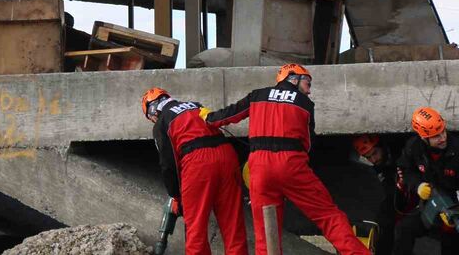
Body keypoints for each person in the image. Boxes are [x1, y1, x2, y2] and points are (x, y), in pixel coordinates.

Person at [204, 64, 371, 255]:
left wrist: (207, 117)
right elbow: (308, 144)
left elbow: (227, 115)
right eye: (307, 82)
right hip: (291, 164)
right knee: (328, 216)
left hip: (259, 167)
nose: (309, 89)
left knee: (265, 232)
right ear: (293, 78)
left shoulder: (257, 95)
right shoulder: (305, 104)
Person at [142, 87, 248, 255]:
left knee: (196, 227)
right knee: (233, 224)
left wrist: (176, 196)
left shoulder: (162, 122)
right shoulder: (195, 105)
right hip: (227, 155)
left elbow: (169, 165)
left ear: (153, 110)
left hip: (198, 162)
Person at [393, 107, 459, 255]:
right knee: (404, 228)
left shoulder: (457, 149)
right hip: (429, 206)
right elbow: (405, 169)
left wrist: (455, 211)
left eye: (443, 131)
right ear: (423, 137)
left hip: (452, 208)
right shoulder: (414, 147)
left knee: (451, 240)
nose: (442, 138)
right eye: (436, 136)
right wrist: (418, 186)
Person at [352, 135, 414, 255]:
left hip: (419, 187)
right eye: (368, 157)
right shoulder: (379, 165)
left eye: (375, 153)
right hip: (399, 191)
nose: (373, 160)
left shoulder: (402, 151)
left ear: (382, 146)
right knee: (384, 218)